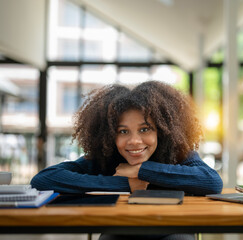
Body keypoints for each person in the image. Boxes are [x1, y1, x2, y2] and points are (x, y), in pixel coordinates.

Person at [30, 81, 223, 240]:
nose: (134, 141)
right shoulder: (107, 157)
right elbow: (43, 180)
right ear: (109, 135)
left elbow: (212, 181)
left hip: (173, 230)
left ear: (162, 131)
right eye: (123, 131)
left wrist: (143, 170)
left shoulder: (177, 153)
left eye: (144, 129)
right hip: (122, 230)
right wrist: (123, 183)